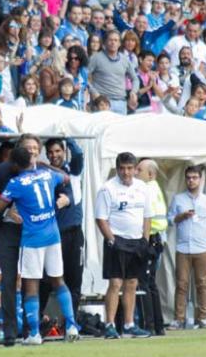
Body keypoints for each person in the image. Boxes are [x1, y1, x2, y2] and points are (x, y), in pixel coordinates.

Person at [0, 146, 80, 345]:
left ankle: (34, 334)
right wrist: (44, 165)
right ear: (32, 160)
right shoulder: (47, 174)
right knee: (58, 281)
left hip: (32, 239)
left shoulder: (16, 183)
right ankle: (71, 326)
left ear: (15, 165)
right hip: (53, 236)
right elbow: (65, 177)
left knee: (31, 286)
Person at [95, 152, 152, 339]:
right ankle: (109, 324)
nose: (126, 172)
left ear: (135, 169)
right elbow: (101, 218)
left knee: (132, 283)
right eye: (122, 168)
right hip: (117, 240)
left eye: (129, 168)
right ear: (117, 168)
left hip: (136, 241)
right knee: (115, 282)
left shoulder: (142, 187)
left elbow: (147, 216)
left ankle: (129, 324)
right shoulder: (107, 188)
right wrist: (112, 240)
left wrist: (145, 239)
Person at [167, 165, 206, 330]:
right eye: (188, 178)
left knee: (202, 284)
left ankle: (202, 317)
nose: (191, 181)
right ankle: (179, 318)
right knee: (181, 284)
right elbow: (169, 219)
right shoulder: (178, 199)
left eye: (194, 177)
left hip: (202, 248)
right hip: (183, 247)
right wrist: (181, 216)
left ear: (200, 179)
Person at [44, 137, 85, 316]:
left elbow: (78, 154)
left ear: (64, 152)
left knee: (74, 280)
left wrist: (68, 138)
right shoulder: (44, 174)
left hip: (74, 233)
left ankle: (71, 324)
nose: (54, 155)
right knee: (47, 280)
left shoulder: (72, 170)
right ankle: (38, 324)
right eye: (51, 152)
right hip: (54, 234)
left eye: (58, 151)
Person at [135, 159, 168, 336]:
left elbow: (145, 217)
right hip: (157, 239)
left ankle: (148, 325)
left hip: (149, 239)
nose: (134, 173)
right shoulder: (155, 188)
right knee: (151, 284)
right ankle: (158, 325)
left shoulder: (146, 190)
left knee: (144, 284)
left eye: (139, 170)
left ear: (150, 174)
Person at [88, 30, 140, 115]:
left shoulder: (125, 59)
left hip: (121, 103)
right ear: (105, 42)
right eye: (110, 40)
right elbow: (83, 78)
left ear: (120, 44)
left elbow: (135, 79)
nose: (113, 43)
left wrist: (133, 92)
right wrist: (94, 92)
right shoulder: (95, 58)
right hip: (102, 103)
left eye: (116, 40)